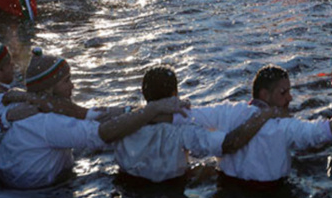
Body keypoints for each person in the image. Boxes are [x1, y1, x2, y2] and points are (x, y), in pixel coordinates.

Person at [0, 50, 186, 189]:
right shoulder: (49, 123)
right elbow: (104, 134)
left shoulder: (26, 104)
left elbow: (92, 114)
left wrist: (135, 110)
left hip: (9, 180)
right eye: (66, 80)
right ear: (50, 90)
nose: (73, 86)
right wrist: (150, 111)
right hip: (35, 195)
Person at [183, 65, 332, 188]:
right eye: (283, 92)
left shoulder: (227, 111)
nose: (290, 98)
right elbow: (331, 130)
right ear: (264, 95)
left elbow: (184, 116)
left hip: (228, 195)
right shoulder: (285, 128)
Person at [112, 66, 276, 184]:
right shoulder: (182, 131)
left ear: (143, 93)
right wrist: (263, 116)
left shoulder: (122, 125)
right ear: (175, 95)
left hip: (129, 190)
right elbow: (229, 144)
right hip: (172, 196)